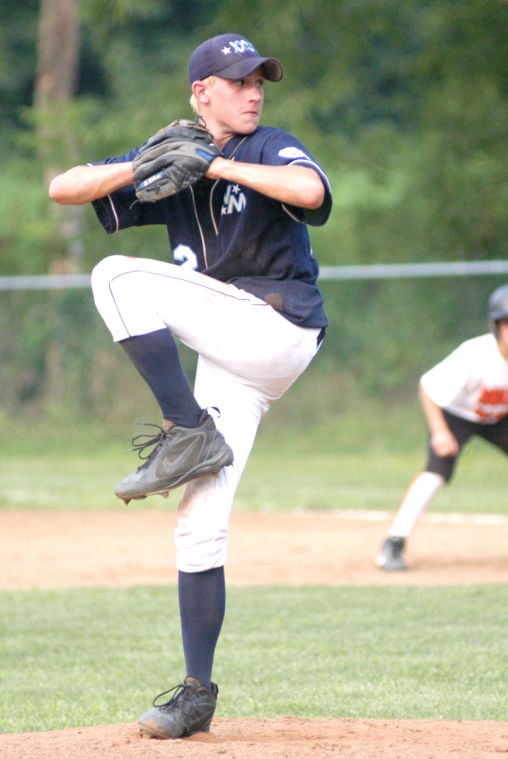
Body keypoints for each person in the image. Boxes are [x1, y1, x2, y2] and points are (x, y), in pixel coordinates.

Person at [49, 33, 332, 739]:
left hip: (275, 324)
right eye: (238, 82)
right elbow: (62, 186)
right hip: (231, 353)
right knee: (198, 524)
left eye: (259, 80)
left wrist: (217, 163)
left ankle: (185, 429)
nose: (254, 91)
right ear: (200, 93)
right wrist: (144, 164)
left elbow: (312, 190)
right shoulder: (174, 155)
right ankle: (197, 695)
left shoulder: (266, 146)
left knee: (115, 275)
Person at [376, 284, 508, 572]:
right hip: (456, 415)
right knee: (436, 473)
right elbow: (428, 387)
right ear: (496, 327)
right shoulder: (475, 355)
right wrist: (440, 431)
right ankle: (393, 543)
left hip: (498, 417)